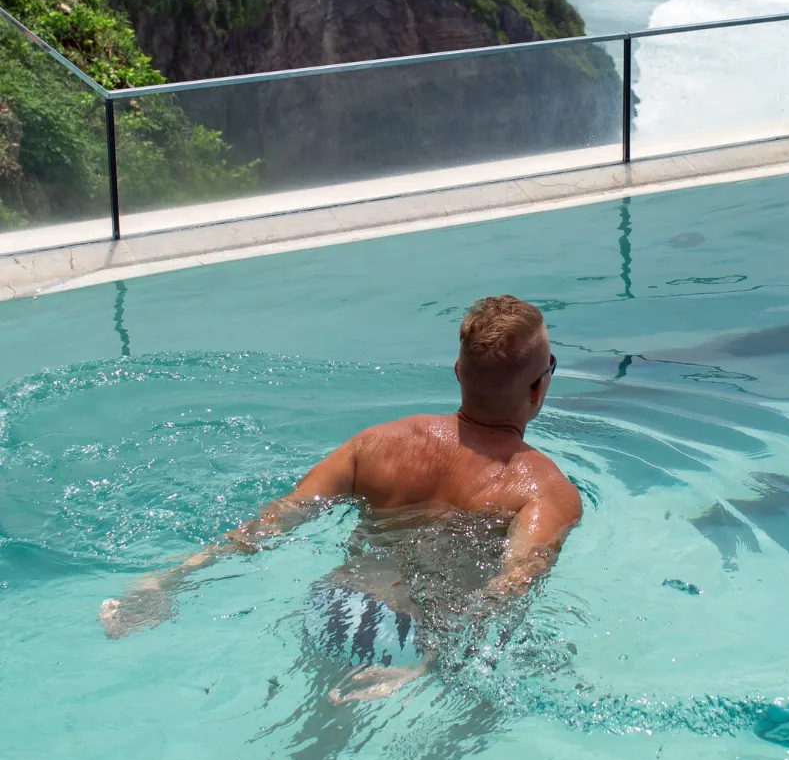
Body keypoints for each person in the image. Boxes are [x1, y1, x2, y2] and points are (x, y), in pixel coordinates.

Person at [99, 295, 583, 699]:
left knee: (304, 748)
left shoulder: (375, 444)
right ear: (539, 388)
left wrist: (171, 578)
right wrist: (425, 662)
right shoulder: (545, 490)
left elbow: (274, 521)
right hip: (412, 637)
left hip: (334, 602)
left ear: (457, 371)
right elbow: (510, 587)